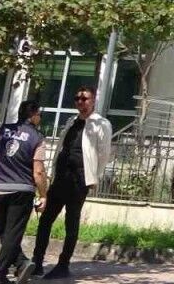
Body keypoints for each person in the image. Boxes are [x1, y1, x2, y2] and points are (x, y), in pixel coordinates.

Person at [32, 86, 112, 279]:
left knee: (71, 221)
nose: (80, 102)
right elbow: (61, 147)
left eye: (85, 99)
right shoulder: (72, 121)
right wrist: (52, 172)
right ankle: (37, 262)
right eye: (77, 99)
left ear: (93, 101)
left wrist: (93, 177)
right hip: (61, 177)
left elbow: (103, 154)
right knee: (46, 219)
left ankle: (63, 264)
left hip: (79, 179)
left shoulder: (100, 124)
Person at [0, 101, 47, 284]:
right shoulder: (37, 138)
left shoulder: (2, 129)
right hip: (22, 190)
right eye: (39, 114)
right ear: (33, 115)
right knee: (12, 234)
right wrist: (43, 195)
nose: (40, 118)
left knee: (2, 231)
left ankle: (21, 263)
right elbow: (38, 171)